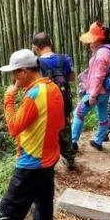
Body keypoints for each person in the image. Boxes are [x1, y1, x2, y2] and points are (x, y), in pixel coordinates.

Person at [0, 49, 64, 220]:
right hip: (49, 158)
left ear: (24, 72)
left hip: (31, 162)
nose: (14, 78)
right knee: (43, 201)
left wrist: (9, 97)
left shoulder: (34, 94)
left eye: (15, 73)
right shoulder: (53, 89)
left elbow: (14, 127)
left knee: (10, 206)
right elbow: (59, 123)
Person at [32, 32, 76, 169]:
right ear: (51, 42)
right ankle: (70, 160)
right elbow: (72, 78)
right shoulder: (65, 59)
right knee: (65, 130)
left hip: (47, 103)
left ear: (36, 48)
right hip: (64, 101)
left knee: (47, 131)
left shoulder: (36, 63)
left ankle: (49, 163)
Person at [72, 22, 110, 151]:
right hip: (105, 90)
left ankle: (72, 141)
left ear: (98, 38)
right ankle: (99, 141)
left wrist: (93, 95)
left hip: (97, 91)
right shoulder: (109, 49)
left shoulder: (103, 52)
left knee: (78, 113)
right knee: (102, 113)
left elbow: (99, 75)